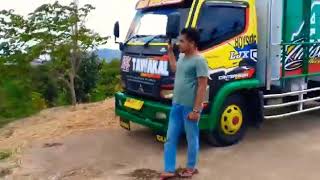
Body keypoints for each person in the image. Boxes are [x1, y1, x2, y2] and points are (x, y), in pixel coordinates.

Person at [160, 28, 209, 179]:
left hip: (190, 107)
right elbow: (176, 68)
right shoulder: (181, 57)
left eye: (182, 41)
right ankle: (169, 169)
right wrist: (170, 53)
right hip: (176, 104)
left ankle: (190, 168)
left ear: (192, 43)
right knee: (170, 138)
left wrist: (196, 110)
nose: (179, 43)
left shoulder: (199, 60)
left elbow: (202, 86)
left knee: (191, 138)